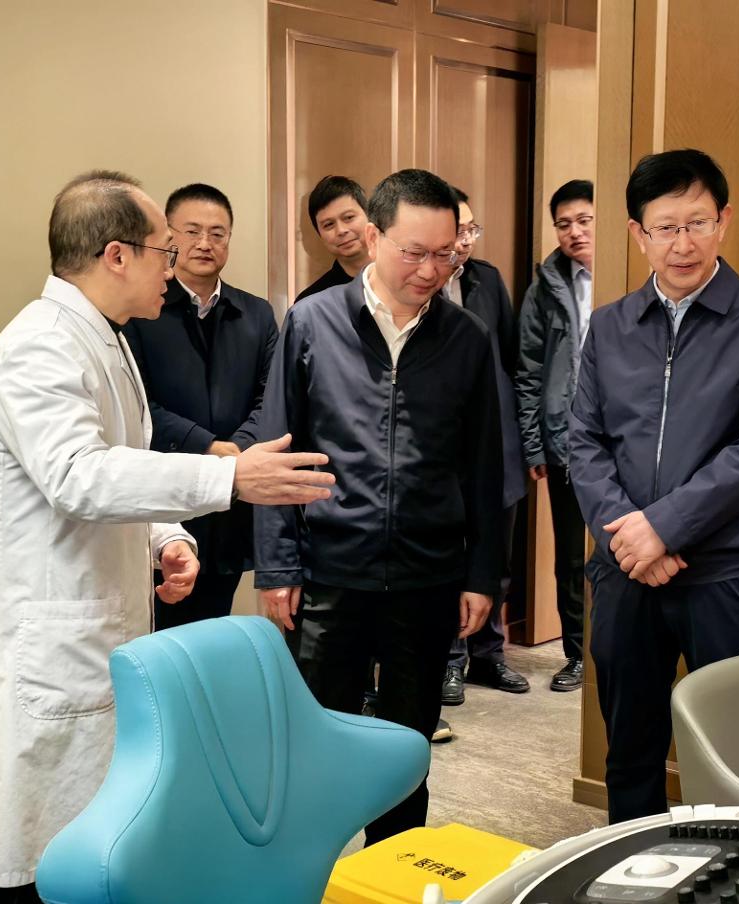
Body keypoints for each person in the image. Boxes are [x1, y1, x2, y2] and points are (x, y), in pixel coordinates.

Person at [0, 170, 334, 901]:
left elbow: (120, 460)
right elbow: (77, 476)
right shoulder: (40, 346)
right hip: (50, 643)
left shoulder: (105, 338)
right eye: (165, 249)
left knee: (96, 850)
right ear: (117, 255)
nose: (174, 264)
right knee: (41, 861)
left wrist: (167, 537)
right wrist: (227, 478)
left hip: (96, 628)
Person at [255, 168, 503, 845]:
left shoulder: (467, 337)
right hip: (330, 571)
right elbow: (277, 451)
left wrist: (482, 574)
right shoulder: (313, 322)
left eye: (446, 254)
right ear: (372, 238)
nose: (430, 270)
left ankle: (392, 870)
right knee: (318, 741)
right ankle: (314, 872)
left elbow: (484, 466)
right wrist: (277, 566)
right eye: (413, 252)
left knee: (405, 747)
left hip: (428, 575)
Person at [567, 150, 739, 823]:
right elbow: (585, 441)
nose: (683, 243)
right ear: (637, 233)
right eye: (665, 228)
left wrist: (663, 528)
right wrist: (631, 537)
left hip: (728, 571)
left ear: (723, 221)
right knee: (629, 751)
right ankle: (634, 870)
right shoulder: (610, 326)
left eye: (697, 223)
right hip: (626, 570)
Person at [124, 183, 277, 630]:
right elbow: (136, 404)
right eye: (191, 231)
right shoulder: (142, 311)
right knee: (157, 637)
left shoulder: (256, 314)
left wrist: (237, 449)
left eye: (217, 233)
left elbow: (271, 398)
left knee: (210, 630)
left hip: (232, 502)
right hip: (163, 499)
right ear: (169, 237)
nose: (205, 243)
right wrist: (209, 446)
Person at [439, 188, 530, 704]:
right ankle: (451, 659)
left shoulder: (488, 279)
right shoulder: (421, 282)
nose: (466, 240)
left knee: (497, 553)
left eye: (472, 229)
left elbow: (512, 359)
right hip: (447, 446)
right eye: (458, 230)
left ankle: (490, 655)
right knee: (454, 556)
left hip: (498, 442)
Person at [515, 178, 597, 693]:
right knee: (570, 556)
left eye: (584, 220)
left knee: (622, 551)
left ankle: (614, 652)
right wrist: (533, 442)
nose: (574, 232)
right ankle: (577, 654)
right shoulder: (544, 288)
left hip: (625, 444)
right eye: (563, 224)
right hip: (566, 440)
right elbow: (527, 371)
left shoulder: (636, 276)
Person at [297, 175, 371, 302]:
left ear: (370, 216)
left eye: (348, 217)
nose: (341, 230)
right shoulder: (311, 303)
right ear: (319, 234)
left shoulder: (403, 277)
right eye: (328, 225)